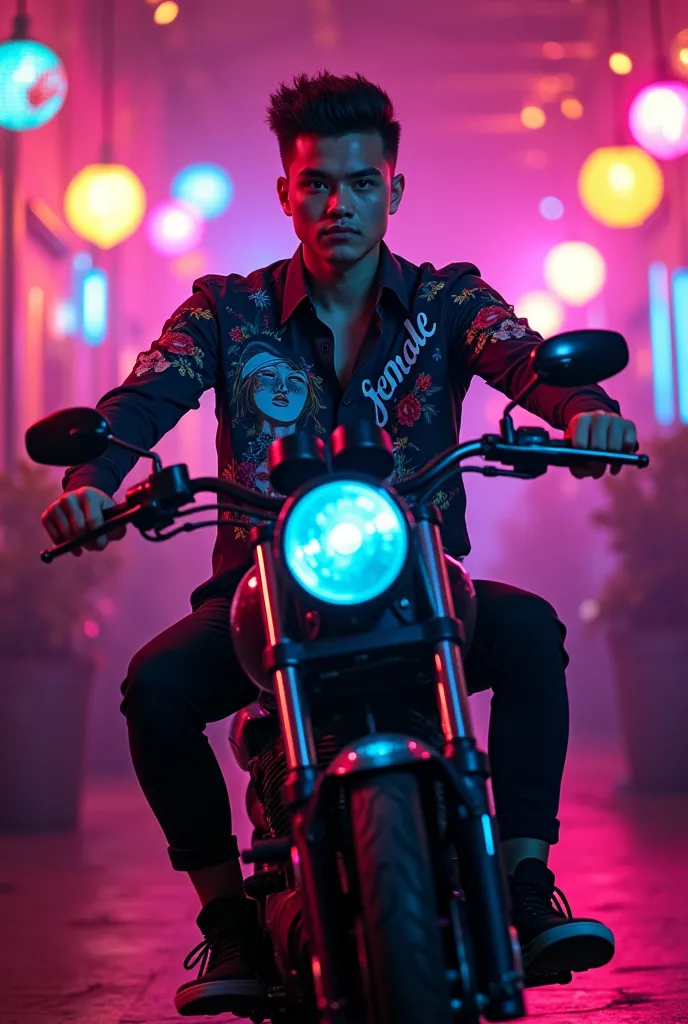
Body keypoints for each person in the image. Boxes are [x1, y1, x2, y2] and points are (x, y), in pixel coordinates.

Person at [41, 72, 639, 1017]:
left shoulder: (449, 303)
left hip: (422, 587)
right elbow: (146, 397)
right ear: (286, 192)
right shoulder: (225, 313)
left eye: (361, 184)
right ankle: (227, 921)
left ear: (394, 191)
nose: (338, 204)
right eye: (317, 183)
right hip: (266, 596)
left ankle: (526, 886)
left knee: (533, 637)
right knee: (153, 690)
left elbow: (523, 355)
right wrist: (91, 484)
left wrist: (588, 411)